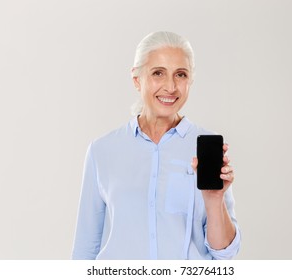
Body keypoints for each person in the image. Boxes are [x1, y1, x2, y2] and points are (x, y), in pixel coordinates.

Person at [72, 31, 241, 260]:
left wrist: (215, 200)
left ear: (190, 80)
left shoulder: (206, 149)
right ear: (136, 79)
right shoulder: (102, 151)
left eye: (180, 75)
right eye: (158, 73)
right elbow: (85, 248)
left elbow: (224, 254)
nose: (170, 87)